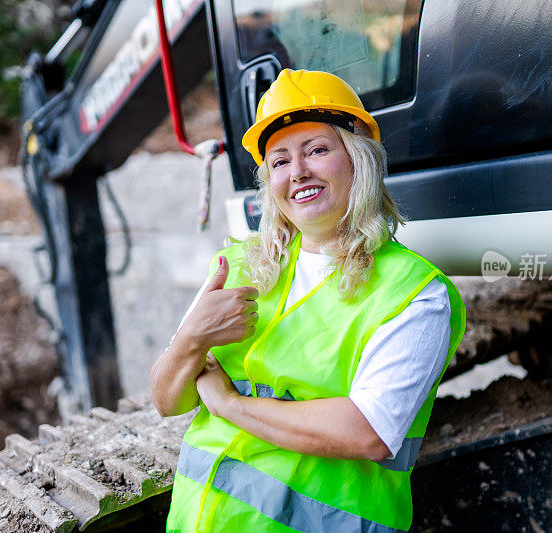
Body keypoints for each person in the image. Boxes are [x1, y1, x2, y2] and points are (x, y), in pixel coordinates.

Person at [150, 68, 466, 532]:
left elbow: (367, 432)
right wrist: (191, 339)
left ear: (359, 160)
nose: (298, 172)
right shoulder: (238, 267)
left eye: (317, 150)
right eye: (279, 161)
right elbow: (166, 400)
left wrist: (229, 406)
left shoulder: (413, 294)